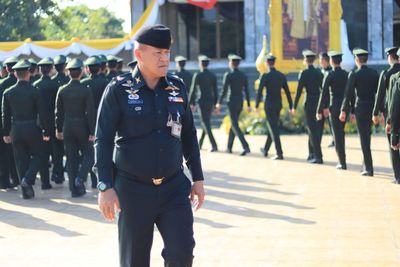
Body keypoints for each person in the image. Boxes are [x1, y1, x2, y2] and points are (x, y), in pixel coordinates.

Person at [95, 24, 205, 267]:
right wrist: (105, 186)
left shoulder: (177, 87)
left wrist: (197, 177)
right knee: (134, 260)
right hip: (133, 191)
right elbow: (102, 139)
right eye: (157, 53)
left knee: (182, 254)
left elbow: (188, 134)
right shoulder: (118, 90)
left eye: (166, 52)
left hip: (174, 188)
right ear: (139, 55)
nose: (165, 58)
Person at [2, 59, 50, 199]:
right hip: (32, 128)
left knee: (20, 160)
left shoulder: (8, 92)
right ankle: (27, 180)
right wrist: (46, 131)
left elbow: (5, 115)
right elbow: (42, 113)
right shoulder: (35, 90)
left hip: (16, 129)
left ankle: (25, 192)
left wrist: (6, 132)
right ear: (28, 73)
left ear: (16, 75)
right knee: (39, 155)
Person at [55, 58, 96, 197]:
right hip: (82, 125)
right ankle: (81, 177)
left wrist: (59, 129)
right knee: (90, 154)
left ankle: (74, 190)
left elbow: (58, 113)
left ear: (68, 73)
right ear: (82, 72)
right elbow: (90, 112)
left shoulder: (62, 90)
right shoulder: (85, 90)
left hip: (67, 126)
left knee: (71, 158)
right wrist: (92, 131)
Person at [340, 48, 379, 176]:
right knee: (367, 137)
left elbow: (348, 93)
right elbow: (379, 94)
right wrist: (380, 110)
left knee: (364, 139)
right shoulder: (374, 73)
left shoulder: (354, 74)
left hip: (360, 109)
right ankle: (365, 164)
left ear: (357, 59)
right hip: (372, 109)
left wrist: (344, 110)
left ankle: (368, 168)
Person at [256, 54, 293, 160]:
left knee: (273, 127)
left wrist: (257, 104)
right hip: (278, 104)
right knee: (273, 126)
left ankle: (279, 153)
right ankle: (266, 149)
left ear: (267, 63)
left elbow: (259, 91)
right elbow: (287, 92)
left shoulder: (265, 76)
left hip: (269, 105)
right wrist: (291, 106)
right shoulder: (281, 75)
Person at [34, 57, 65, 185]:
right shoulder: (56, 85)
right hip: (54, 120)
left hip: (40, 122)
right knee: (57, 150)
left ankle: (45, 182)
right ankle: (58, 175)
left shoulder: (35, 85)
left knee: (43, 152)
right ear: (51, 69)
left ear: (40, 70)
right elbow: (59, 106)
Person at [372, 47, 400, 183]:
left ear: (390, 57)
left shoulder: (387, 73)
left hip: (392, 113)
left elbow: (380, 95)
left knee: (393, 146)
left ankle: (397, 176)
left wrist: (375, 113)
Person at [316, 51, 348, 169]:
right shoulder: (346, 74)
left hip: (334, 108)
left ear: (331, 61)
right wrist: (352, 110)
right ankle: (342, 159)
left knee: (337, 135)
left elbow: (323, 94)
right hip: (344, 108)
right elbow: (350, 93)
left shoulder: (329, 75)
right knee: (341, 133)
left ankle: (342, 161)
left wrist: (319, 110)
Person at [81, 56, 109, 188]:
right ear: (100, 69)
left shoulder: (83, 83)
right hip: (103, 118)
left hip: (86, 119)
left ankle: (92, 180)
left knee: (90, 150)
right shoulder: (106, 82)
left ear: (87, 69)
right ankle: (98, 179)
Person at [293, 50, 324, 164]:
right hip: (318, 102)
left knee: (312, 130)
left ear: (305, 60)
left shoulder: (304, 73)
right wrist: (324, 105)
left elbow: (299, 91)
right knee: (313, 129)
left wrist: (294, 106)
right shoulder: (318, 72)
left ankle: (318, 156)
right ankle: (311, 153)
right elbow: (324, 90)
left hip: (309, 103)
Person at [216, 54, 251, 156]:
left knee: (235, 125)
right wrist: (248, 104)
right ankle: (229, 147)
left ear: (231, 63)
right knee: (233, 123)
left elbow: (224, 90)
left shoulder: (229, 75)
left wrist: (219, 103)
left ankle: (246, 146)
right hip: (240, 102)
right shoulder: (243, 75)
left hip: (231, 102)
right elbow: (247, 91)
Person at [189, 55, 218, 152]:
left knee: (205, 123)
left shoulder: (198, 75)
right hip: (210, 102)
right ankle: (199, 144)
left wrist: (191, 103)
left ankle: (214, 145)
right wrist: (215, 103)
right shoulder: (212, 75)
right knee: (205, 123)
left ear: (201, 64)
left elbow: (193, 90)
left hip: (201, 102)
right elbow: (216, 91)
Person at [0, 56, 20, 189]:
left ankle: (4, 180)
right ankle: (17, 178)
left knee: (3, 154)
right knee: (17, 153)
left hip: (3, 123)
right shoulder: (23, 83)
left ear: (7, 69)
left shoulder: (2, 84)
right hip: (19, 123)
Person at [319, 52, 335, 148]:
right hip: (321, 103)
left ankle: (334, 140)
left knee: (332, 124)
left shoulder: (330, 73)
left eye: (322, 60)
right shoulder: (320, 72)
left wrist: (326, 106)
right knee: (320, 125)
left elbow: (328, 93)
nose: (320, 62)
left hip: (329, 103)